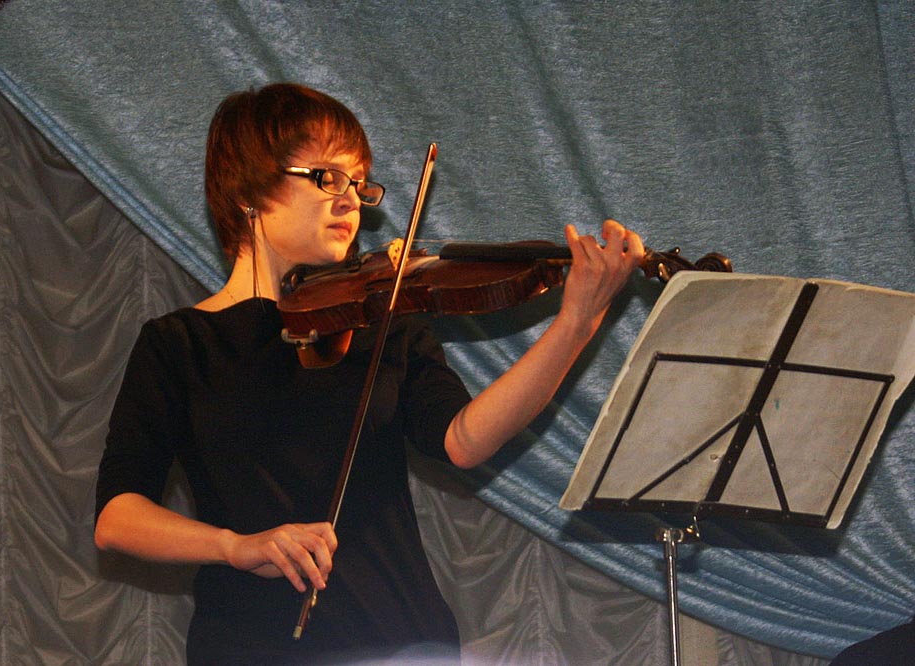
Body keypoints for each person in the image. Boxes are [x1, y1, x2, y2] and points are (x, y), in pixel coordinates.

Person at [94, 82, 644, 665]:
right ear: (248, 190)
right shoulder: (180, 344)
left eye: (358, 184)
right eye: (327, 178)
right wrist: (235, 547)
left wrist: (576, 323)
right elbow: (117, 517)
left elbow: (463, 439)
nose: (351, 201)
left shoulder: (383, 321)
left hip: (400, 639)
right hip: (251, 645)